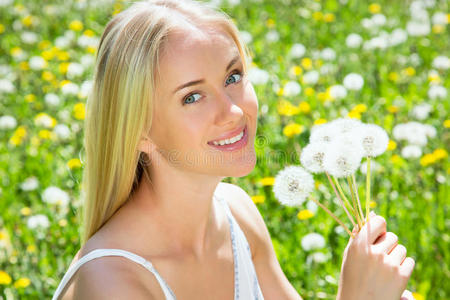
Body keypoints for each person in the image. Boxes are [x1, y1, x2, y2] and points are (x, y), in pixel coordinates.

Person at [52, 0, 415, 299]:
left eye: (233, 77)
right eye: (192, 97)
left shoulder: (237, 214)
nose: (235, 111)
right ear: (137, 131)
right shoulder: (111, 282)